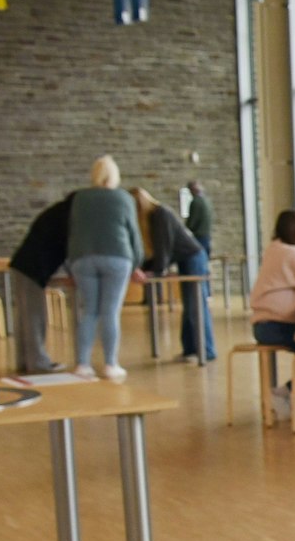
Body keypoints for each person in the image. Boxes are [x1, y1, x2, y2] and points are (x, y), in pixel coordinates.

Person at [64, 156, 145, 381]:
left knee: (89, 311)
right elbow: (133, 234)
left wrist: (69, 266)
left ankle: (82, 364)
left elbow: (71, 233)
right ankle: (110, 364)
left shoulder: (79, 199)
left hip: (83, 258)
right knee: (110, 311)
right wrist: (138, 263)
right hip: (117, 257)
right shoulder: (124, 198)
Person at [132, 187, 214, 363]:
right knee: (190, 305)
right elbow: (158, 251)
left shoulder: (160, 214)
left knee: (196, 306)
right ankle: (191, 349)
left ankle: (207, 350)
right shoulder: (153, 217)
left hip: (193, 257)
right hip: (186, 259)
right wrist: (147, 269)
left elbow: (164, 248)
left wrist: (155, 271)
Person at [249, 209, 295, 418]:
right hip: (281, 327)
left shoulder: (274, 249)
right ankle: (288, 392)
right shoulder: (293, 255)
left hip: (264, 326)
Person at [8, 191, 79, 374]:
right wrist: (73, 274)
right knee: (35, 316)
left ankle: (25, 362)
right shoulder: (68, 218)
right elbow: (70, 248)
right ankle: (38, 364)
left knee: (26, 317)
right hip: (32, 269)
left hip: (23, 266)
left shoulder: (56, 212)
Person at [183, 180, 214, 255]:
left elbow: (192, 222)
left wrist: (185, 230)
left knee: (199, 258)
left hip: (199, 235)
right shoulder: (207, 200)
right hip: (207, 234)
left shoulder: (196, 202)